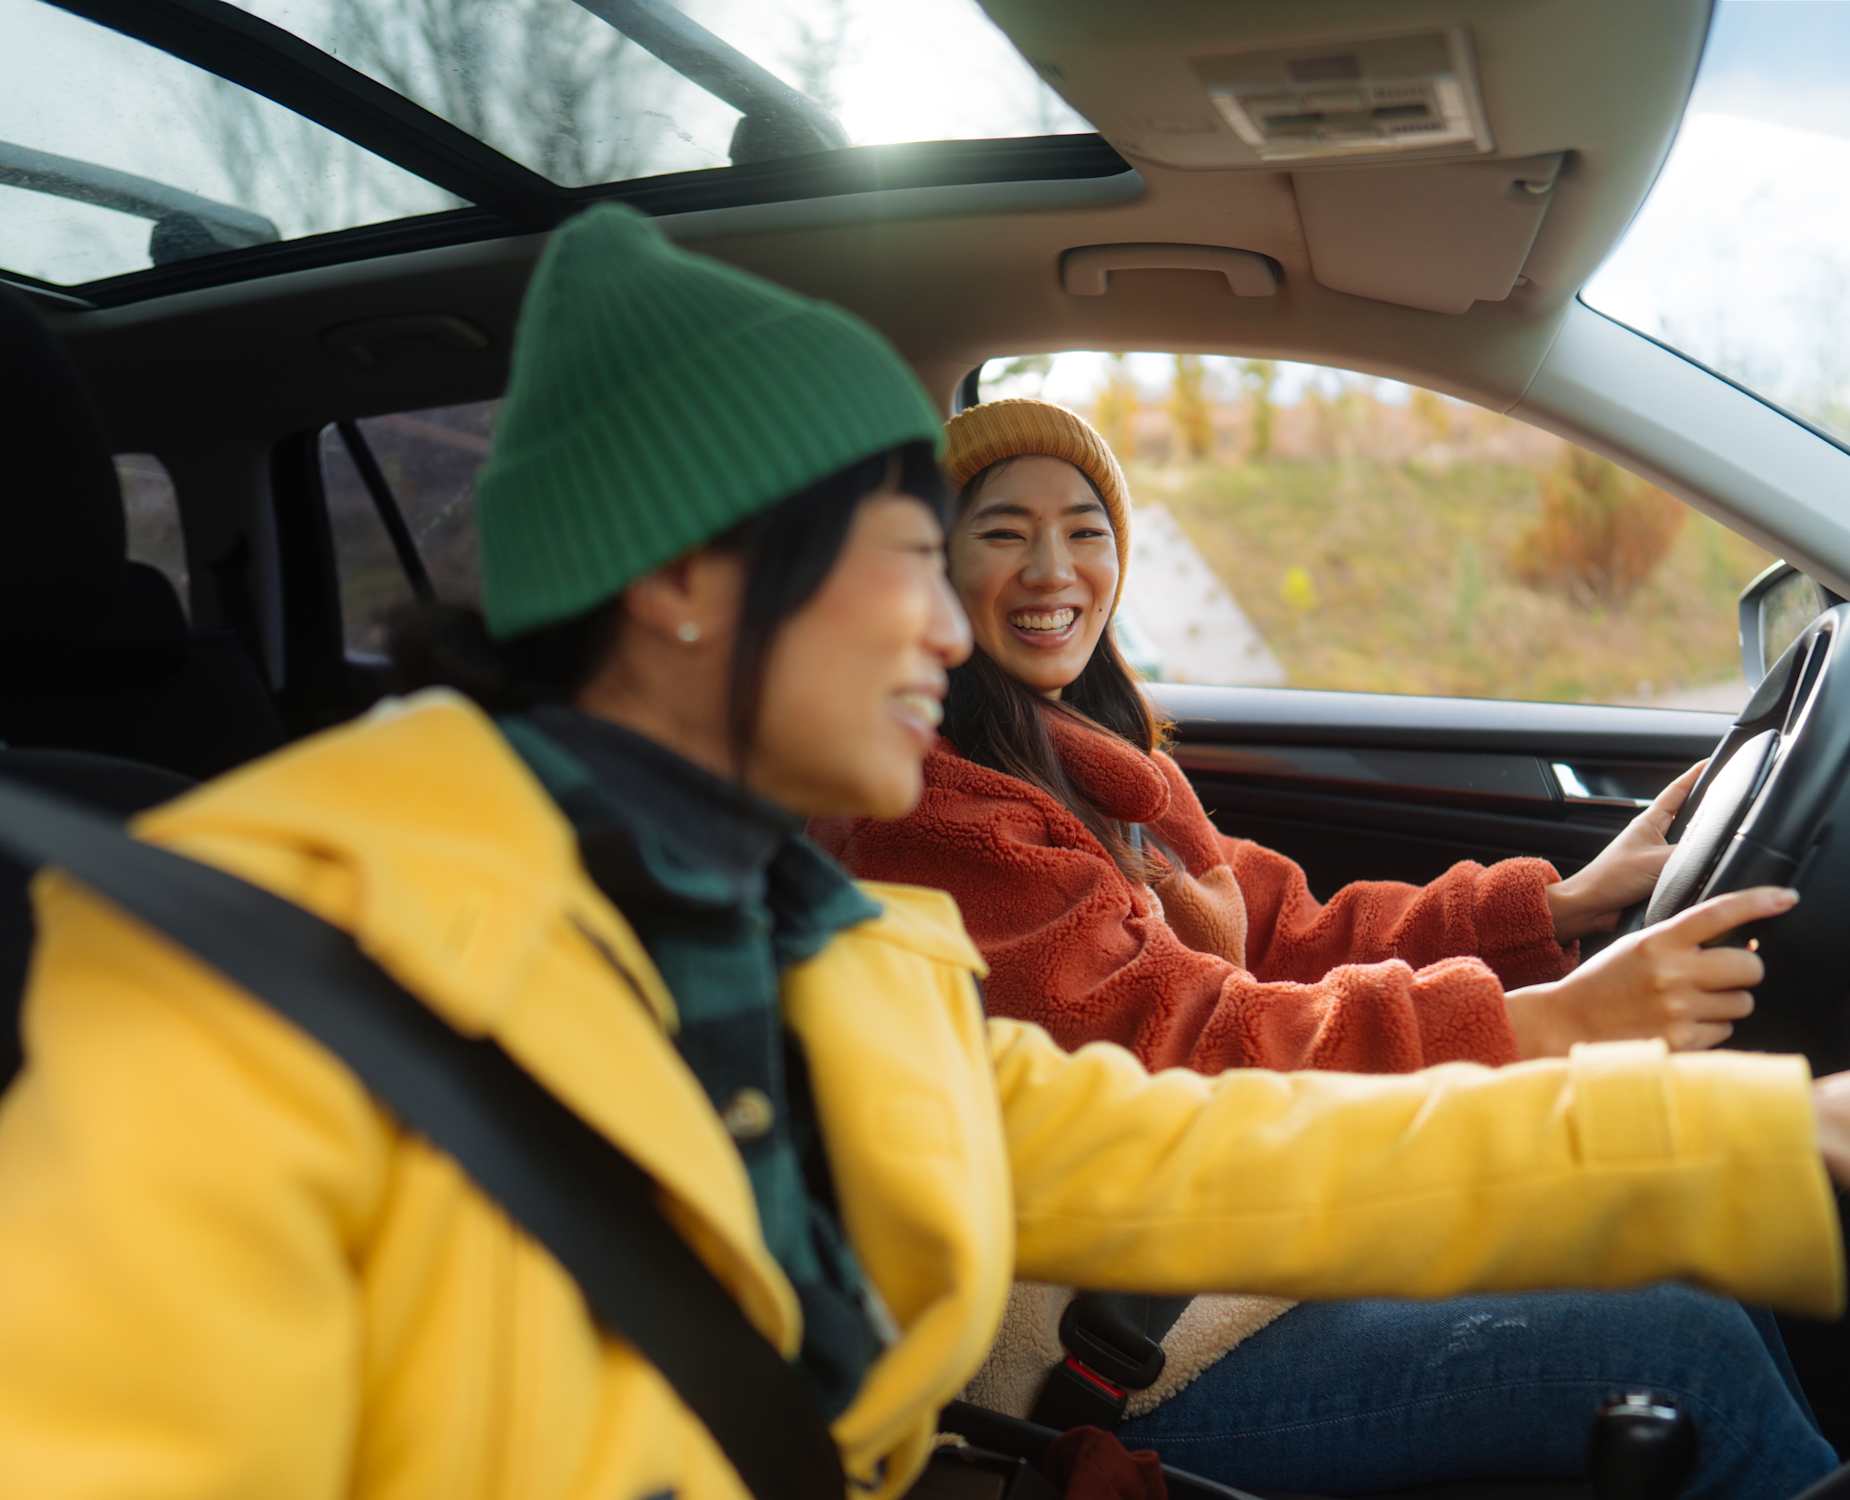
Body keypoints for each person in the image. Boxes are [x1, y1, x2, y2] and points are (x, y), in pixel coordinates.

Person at [0, 207, 1846, 1500]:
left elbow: (1216, 1157)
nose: (960, 626)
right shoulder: (234, 984)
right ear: (688, 576)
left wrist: (1752, 1142)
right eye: (911, 556)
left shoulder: (819, 949)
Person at [815, 396, 1843, 1496]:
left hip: (1213, 1250)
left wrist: (1554, 908)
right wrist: (1540, 1023)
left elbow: (1288, 934)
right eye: (1002, 531)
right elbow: (1182, 1050)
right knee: (1675, 1335)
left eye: (1084, 529)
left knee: (1695, 1269)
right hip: (1108, 1344)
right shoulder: (935, 817)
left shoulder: (1090, 764)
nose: (1052, 569)